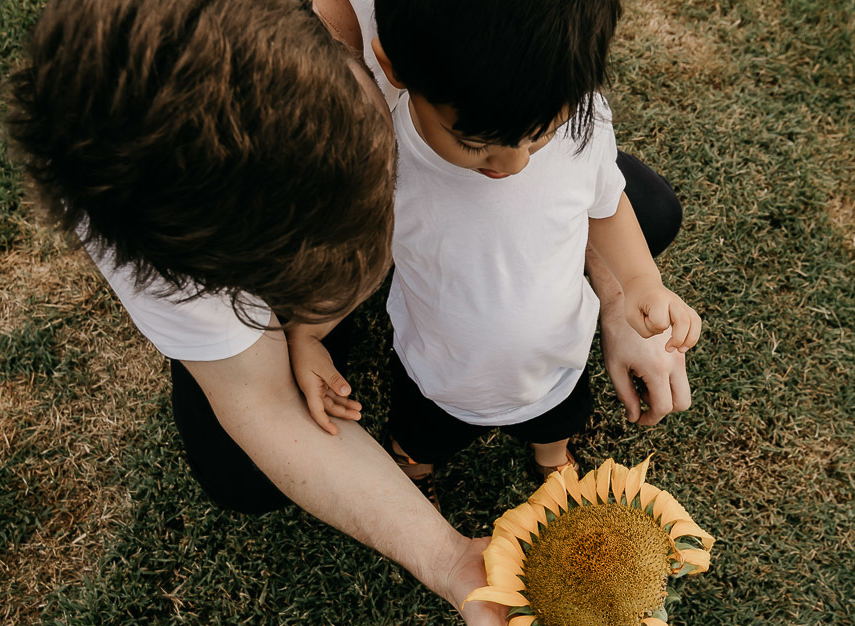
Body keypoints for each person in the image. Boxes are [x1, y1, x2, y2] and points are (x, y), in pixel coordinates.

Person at [7, 0, 691, 626]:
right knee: (240, 473)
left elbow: (574, 150)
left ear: (370, 54)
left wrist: (618, 295)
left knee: (653, 211)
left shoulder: (494, 48)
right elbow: (259, 400)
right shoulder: (137, 210)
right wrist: (445, 557)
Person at [292, 0, 700, 499]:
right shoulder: (387, 159)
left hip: (556, 364)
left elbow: (606, 204)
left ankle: (552, 457)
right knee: (420, 438)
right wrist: (310, 334)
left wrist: (640, 282)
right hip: (438, 376)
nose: (514, 163)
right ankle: (413, 466)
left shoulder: (583, 123)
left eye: (541, 133)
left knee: (556, 424)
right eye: (475, 142)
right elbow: (362, 260)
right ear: (395, 69)